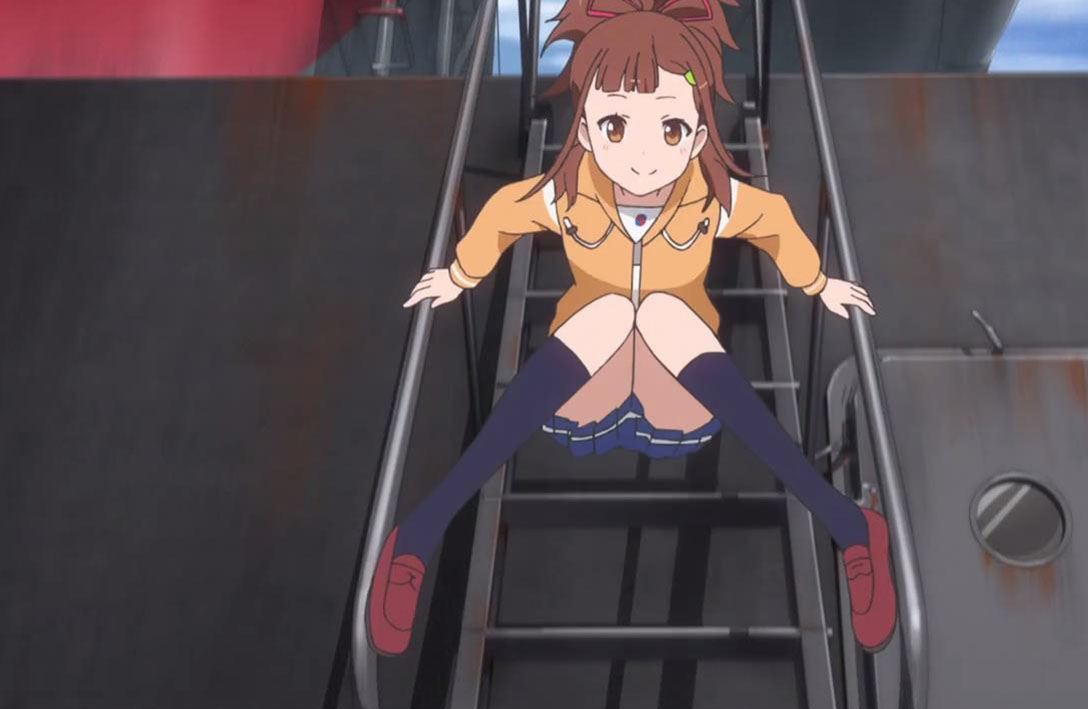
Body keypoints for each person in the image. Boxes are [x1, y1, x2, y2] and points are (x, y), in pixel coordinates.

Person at [368, 0, 898, 657]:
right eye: (616, 125)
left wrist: (816, 282)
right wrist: (461, 274)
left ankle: (851, 529)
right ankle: (417, 537)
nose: (643, 156)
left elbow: (773, 219)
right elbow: (506, 210)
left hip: (677, 396)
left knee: (659, 311)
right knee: (617, 310)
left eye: (670, 129)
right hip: (589, 393)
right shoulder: (571, 194)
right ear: (587, 130)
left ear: (698, 136)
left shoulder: (708, 200)